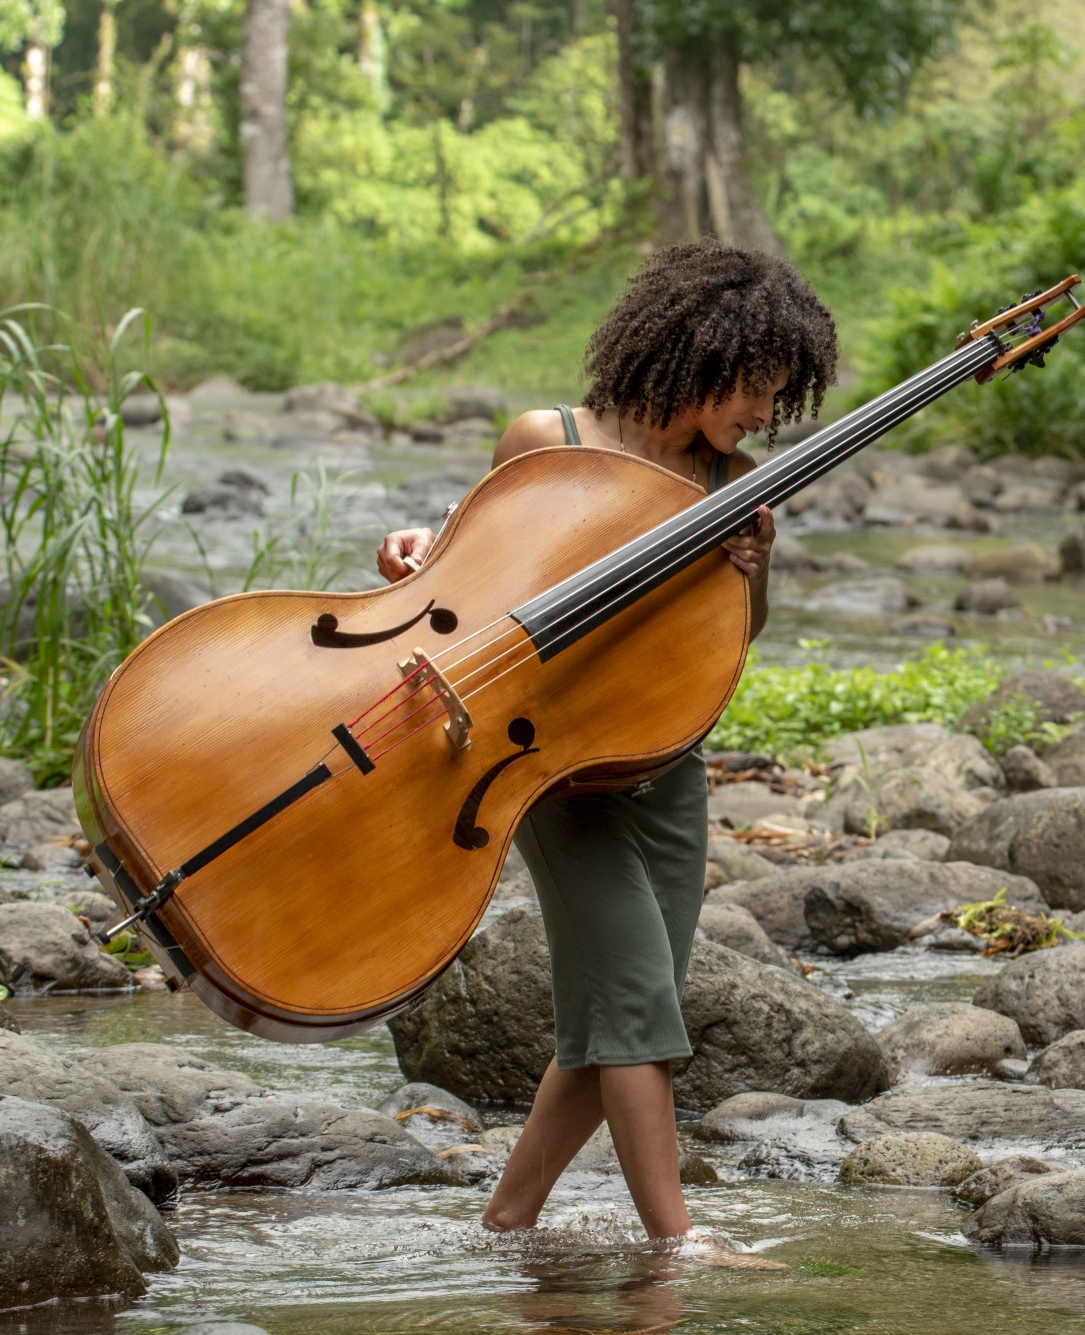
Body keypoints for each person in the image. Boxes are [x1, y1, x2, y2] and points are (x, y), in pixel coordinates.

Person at [374, 241, 838, 1252]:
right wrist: (414, 550)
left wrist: (750, 564)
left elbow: (730, 639)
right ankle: (676, 1242)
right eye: (757, 387)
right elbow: (469, 572)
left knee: (618, 1014)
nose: (764, 413)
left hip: (664, 769)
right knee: (633, 1005)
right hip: (551, 767)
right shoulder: (548, 437)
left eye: (777, 395)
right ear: (697, 355)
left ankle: (506, 1219)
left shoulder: (733, 480)